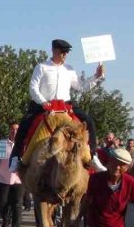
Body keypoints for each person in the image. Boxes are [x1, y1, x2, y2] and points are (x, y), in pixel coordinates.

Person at [12, 39, 106, 172]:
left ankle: (93, 156)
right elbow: (33, 87)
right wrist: (43, 102)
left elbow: (81, 87)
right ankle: (15, 158)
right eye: (62, 52)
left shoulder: (69, 69)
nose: (65, 55)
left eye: (66, 52)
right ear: (54, 50)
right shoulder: (41, 67)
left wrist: (97, 76)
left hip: (65, 105)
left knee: (89, 121)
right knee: (24, 124)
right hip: (44, 104)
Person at [0, 123, 24, 227]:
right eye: (12, 129)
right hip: (3, 179)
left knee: (17, 205)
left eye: (17, 129)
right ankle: (6, 219)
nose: (14, 131)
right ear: (9, 130)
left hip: (19, 180)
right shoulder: (2, 144)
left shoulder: (23, 145)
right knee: (2, 203)